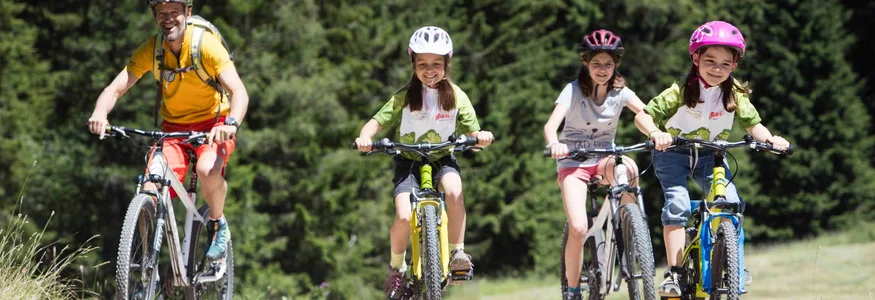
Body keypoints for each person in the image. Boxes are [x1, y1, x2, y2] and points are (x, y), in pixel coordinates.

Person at [86, 0, 249, 275]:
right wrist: (100, 112)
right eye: (162, 13)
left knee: (207, 170)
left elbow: (239, 92)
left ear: (187, 13)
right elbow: (115, 88)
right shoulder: (152, 50)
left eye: (175, 12)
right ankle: (145, 269)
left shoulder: (205, 45)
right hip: (173, 130)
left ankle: (218, 224)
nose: (168, 19)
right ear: (154, 16)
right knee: (150, 188)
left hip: (213, 125)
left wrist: (230, 123)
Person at [633, 20, 790, 296]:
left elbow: (753, 125)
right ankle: (674, 271)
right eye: (710, 61)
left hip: (712, 156)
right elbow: (643, 116)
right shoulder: (680, 89)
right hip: (673, 153)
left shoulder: (735, 93)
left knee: (731, 203)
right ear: (696, 58)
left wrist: (771, 139)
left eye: (725, 64)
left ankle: (734, 264)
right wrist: (657, 133)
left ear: (735, 66)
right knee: (678, 205)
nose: (717, 69)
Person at [353, 26, 494, 299]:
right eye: (422, 64)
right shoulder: (405, 96)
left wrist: (481, 137)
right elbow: (377, 122)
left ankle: (457, 253)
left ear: (447, 64)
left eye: (436, 64)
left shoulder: (456, 96)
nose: (430, 70)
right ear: (413, 65)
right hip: (408, 161)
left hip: (442, 158)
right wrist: (364, 138)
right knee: (404, 215)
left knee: (454, 191)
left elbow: (473, 131)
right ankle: (396, 268)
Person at [543, 29, 646, 300]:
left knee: (630, 168)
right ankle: (574, 289)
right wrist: (555, 142)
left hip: (604, 160)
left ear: (616, 66)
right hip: (573, 163)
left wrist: (656, 132)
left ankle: (627, 225)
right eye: (597, 64)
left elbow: (644, 113)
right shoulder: (573, 90)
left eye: (609, 64)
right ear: (585, 63)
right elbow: (551, 125)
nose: (603, 70)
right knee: (577, 227)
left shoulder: (621, 92)